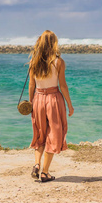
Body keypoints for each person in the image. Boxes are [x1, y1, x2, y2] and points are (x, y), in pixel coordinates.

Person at [28, 30, 74, 182]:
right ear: (54, 43)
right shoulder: (58, 62)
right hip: (54, 99)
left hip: (38, 99)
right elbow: (63, 85)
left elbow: (31, 86)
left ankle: (36, 164)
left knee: (40, 135)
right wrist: (70, 105)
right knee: (53, 135)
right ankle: (44, 172)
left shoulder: (33, 62)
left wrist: (31, 104)